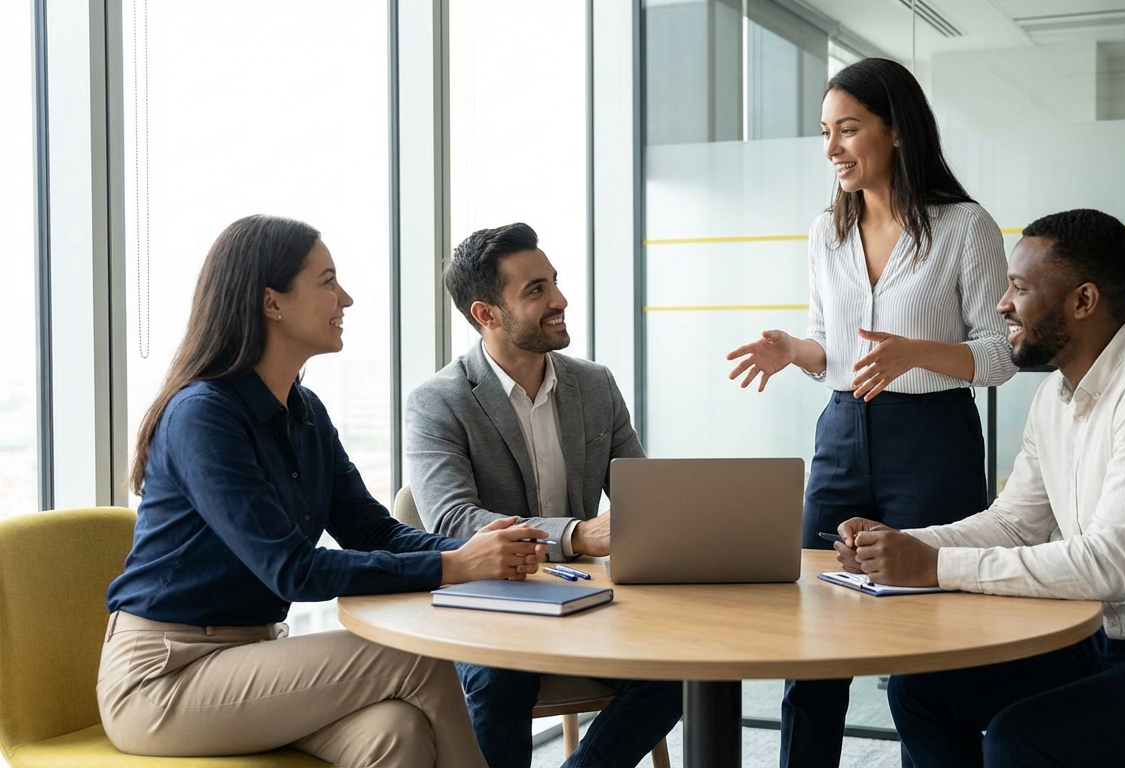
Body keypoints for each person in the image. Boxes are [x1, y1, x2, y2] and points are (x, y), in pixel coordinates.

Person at [836, 209, 1125, 767]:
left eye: (1020, 288)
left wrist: (932, 567)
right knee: (925, 691)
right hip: (1112, 644)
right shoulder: (1055, 397)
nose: (1002, 305)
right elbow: (1012, 523)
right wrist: (899, 544)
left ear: (1083, 301)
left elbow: (1110, 564)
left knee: (1021, 738)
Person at [102, 214, 551, 768]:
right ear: (273, 302)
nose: (347, 298)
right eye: (327, 281)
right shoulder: (204, 417)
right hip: (163, 678)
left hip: (252, 659)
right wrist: (453, 568)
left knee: (397, 732)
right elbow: (293, 570)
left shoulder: (305, 412)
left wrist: (474, 549)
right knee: (419, 660)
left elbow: (371, 528)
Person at [725, 57, 1016, 768]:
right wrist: (796, 349)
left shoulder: (965, 227)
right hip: (842, 435)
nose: (832, 150)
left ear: (896, 131)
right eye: (826, 132)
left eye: (847, 130)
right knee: (815, 630)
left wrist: (919, 351)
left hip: (934, 439)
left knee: (926, 635)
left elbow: (1001, 356)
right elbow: (831, 343)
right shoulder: (827, 230)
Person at [405, 222, 682, 768]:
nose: (559, 299)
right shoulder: (438, 401)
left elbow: (642, 492)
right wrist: (576, 534)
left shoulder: (594, 384)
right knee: (501, 681)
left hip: (589, 599)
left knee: (677, 673)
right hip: (493, 603)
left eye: (553, 281)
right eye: (536, 290)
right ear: (485, 314)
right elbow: (453, 521)